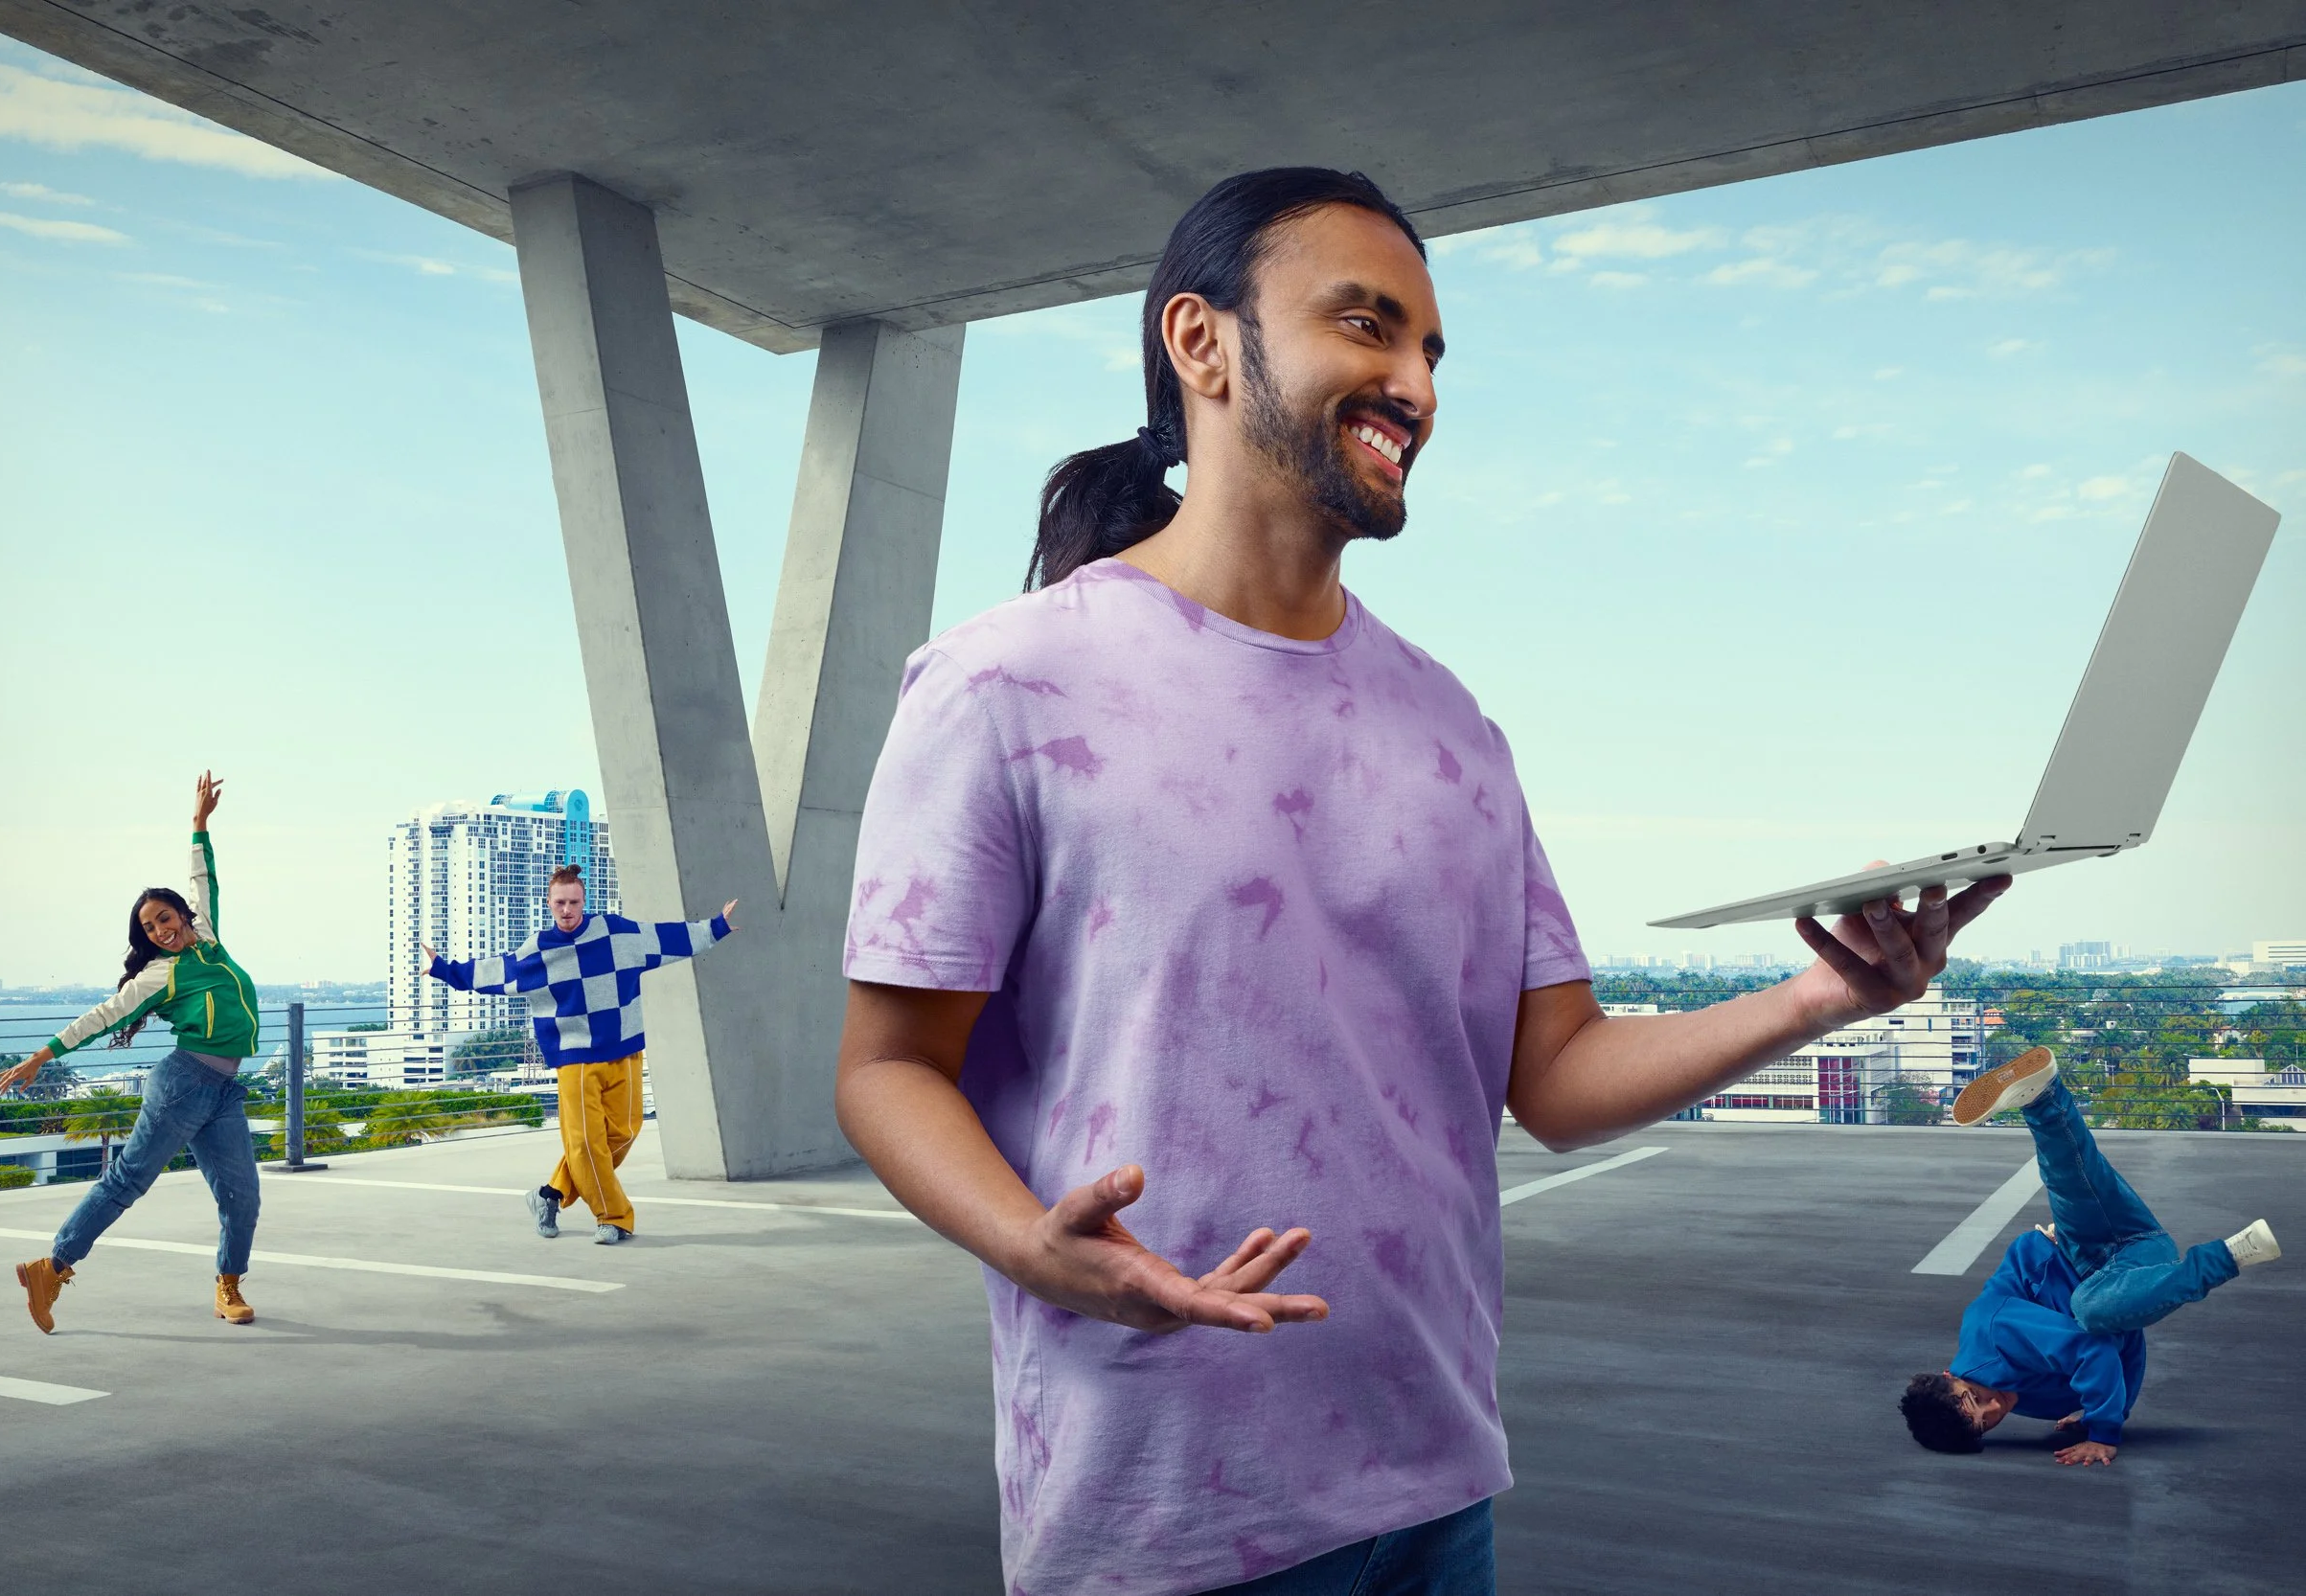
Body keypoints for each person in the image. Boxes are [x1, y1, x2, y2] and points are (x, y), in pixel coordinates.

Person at [833, 166, 2013, 1596]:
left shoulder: (1455, 728)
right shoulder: (1007, 682)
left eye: (1432, 352)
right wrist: (1038, 1246)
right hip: (1160, 1508)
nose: (1414, 385)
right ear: (1200, 344)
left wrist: (1832, 989)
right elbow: (889, 1067)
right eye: (1368, 326)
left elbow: (1558, 1072)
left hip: (1437, 1484)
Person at [1898, 1046, 2279, 1466]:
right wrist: (2110, 1413)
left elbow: (2093, 1351)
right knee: (2098, 1312)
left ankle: (2040, 1094)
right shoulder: (2019, 1395)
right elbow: (2125, 1346)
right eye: (1986, 1423)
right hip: (2127, 1276)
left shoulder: (1992, 1334)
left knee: (2070, 1179)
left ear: (1950, 1375)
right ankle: (2042, 1100)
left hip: (2084, 1251)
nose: (1995, 1408)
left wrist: (2104, 1432)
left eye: (1975, 1399)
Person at [0, 772, 266, 1333]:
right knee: (128, 1181)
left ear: (182, 916)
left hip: (223, 1091)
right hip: (184, 1085)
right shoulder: (157, 975)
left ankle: (228, 1284)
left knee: (243, 1197)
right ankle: (52, 1267)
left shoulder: (210, 940)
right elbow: (101, 1018)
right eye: (148, 926)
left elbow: (204, 878)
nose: (160, 929)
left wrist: (199, 825)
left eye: (165, 917)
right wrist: (43, 1056)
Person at [423, 864, 736, 1244]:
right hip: (574, 1057)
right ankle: (614, 1217)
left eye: (573, 902)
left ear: (584, 901)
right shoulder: (539, 950)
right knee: (586, 1144)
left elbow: (662, 938)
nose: (567, 910)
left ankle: (550, 1195)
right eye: (559, 903)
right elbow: (499, 971)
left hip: (624, 1047)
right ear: (549, 904)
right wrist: (443, 969)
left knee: (622, 1134)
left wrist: (715, 927)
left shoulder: (616, 933)